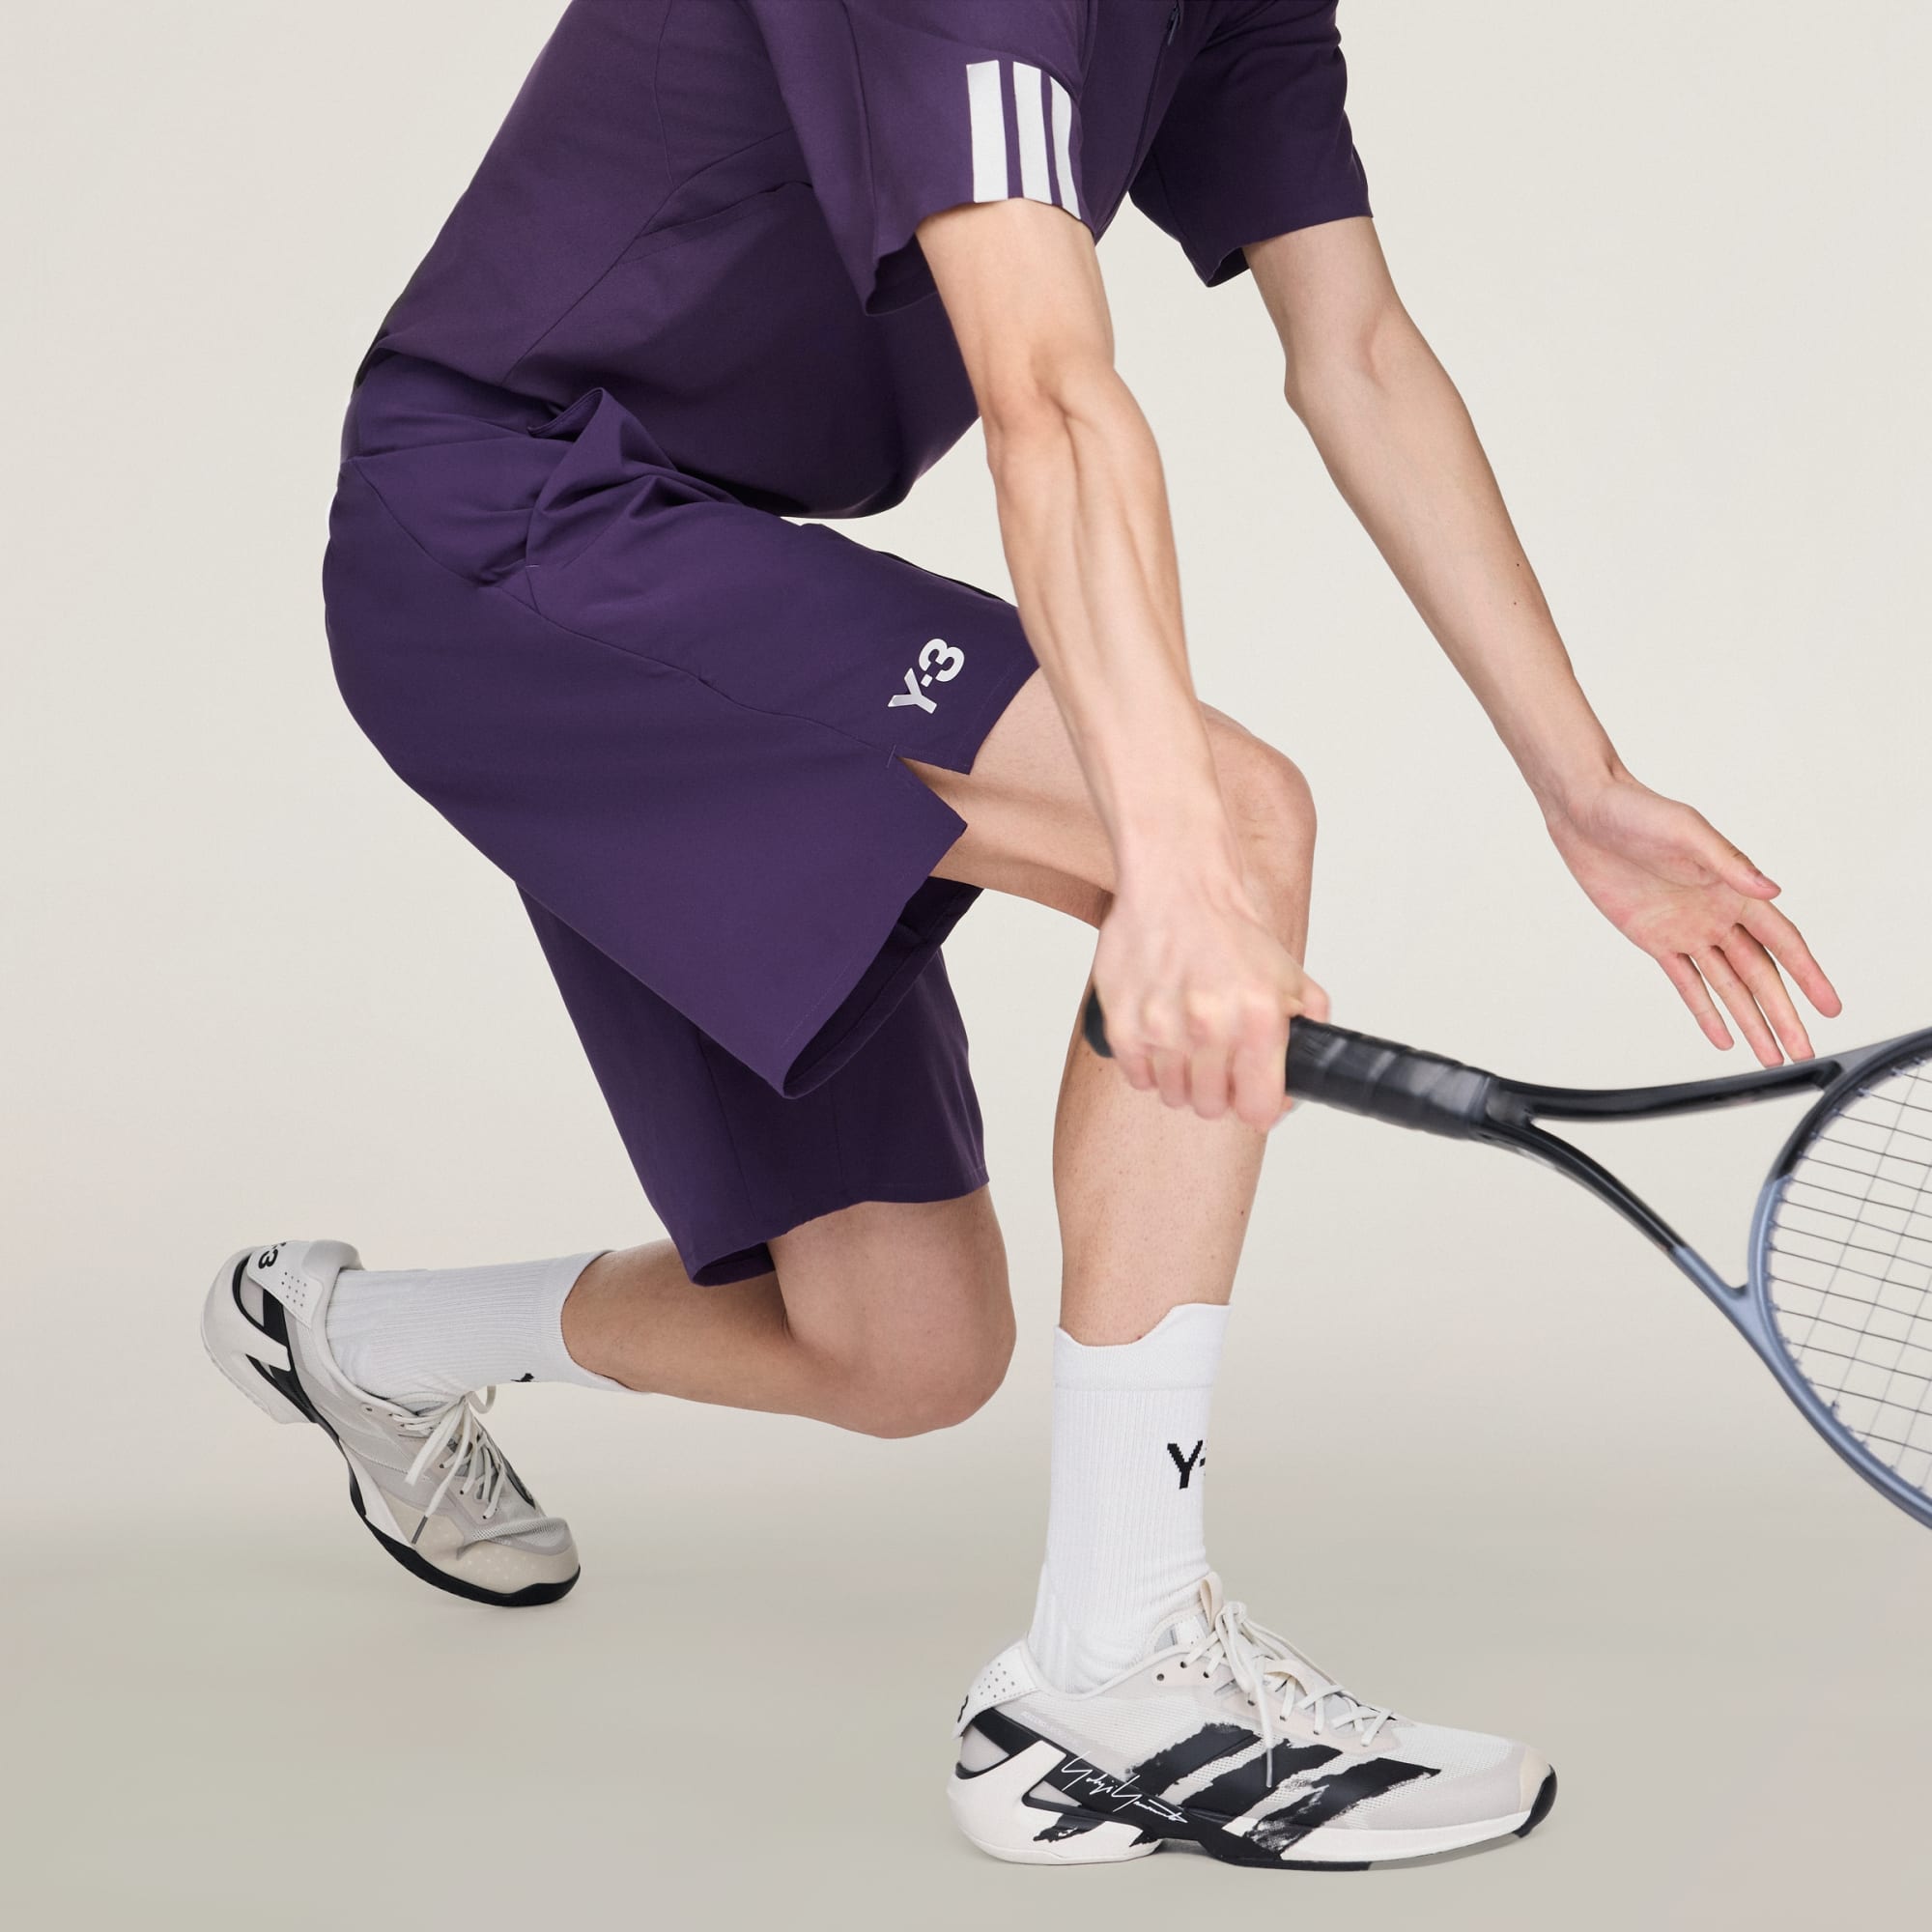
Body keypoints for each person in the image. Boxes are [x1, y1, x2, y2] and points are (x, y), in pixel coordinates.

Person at [203, 0, 1839, 1869]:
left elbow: (1361, 352)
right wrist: (1174, 866)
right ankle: (1112, 1682)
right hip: (507, 532)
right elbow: (1050, 392)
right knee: (1231, 818)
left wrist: (1581, 781)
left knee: (900, 1348)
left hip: (693, 546)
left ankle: (354, 1338)